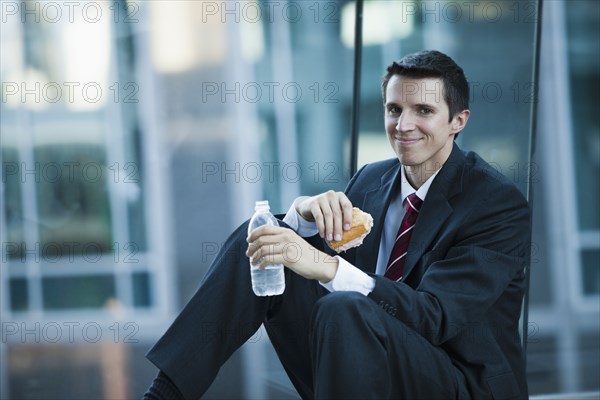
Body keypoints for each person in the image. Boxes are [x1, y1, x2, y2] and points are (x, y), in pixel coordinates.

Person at [144, 50, 531, 399]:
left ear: (457, 121)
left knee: (344, 308)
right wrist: (301, 218)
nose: (403, 124)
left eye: (423, 111)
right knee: (265, 241)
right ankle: (164, 396)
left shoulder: (495, 203)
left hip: (458, 383)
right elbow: (317, 259)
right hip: (356, 371)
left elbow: (435, 317)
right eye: (394, 109)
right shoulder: (370, 180)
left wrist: (325, 265)